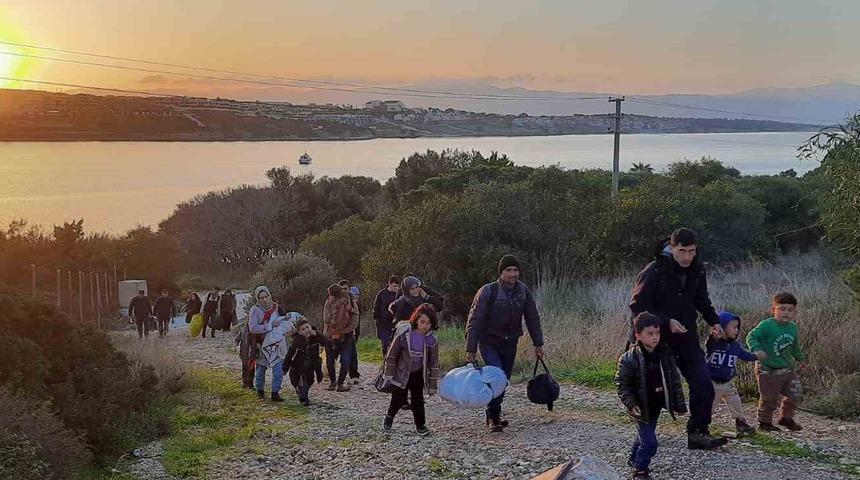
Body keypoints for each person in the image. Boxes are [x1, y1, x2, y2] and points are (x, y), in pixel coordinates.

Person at [629, 228, 728, 449]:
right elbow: (637, 306)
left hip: (686, 335)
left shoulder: (698, 269)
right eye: (682, 251)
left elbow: (702, 299)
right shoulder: (654, 271)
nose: (686, 257)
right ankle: (644, 441)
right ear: (672, 248)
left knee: (703, 383)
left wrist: (714, 321)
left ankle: (698, 433)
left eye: (691, 251)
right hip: (655, 338)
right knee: (651, 390)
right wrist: (665, 322)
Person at [464, 254, 544, 433]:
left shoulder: (523, 291)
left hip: (510, 342)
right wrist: (471, 348)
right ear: (501, 273)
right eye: (509, 270)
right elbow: (474, 320)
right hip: (489, 341)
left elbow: (532, 319)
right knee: (497, 376)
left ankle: (493, 413)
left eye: (515, 270)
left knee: (504, 380)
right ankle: (494, 417)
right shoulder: (488, 291)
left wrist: (538, 344)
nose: (513, 274)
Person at [615, 312, 688, 480]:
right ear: (638, 335)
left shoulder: (664, 353)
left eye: (658, 333)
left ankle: (633, 458)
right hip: (641, 407)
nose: (655, 338)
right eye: (650, 334)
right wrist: (631, 404)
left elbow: (674, 381)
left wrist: (679, 404)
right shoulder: (628, 359)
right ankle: (640, 469)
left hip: (656, 405)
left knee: (644, 435)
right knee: (650, 442)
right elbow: (622, 385)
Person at [746, 292, 807, 432]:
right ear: (773, 309)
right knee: (769, 399)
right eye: (782, 308)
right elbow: (751, 336)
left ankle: (786, 418)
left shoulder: (792, 327)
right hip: (768, 370)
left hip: (787, 369)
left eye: (790, 310)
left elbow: (795, 347)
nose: (786, 313)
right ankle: (764, 422)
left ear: (795, 312)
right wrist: (757, 349)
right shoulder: (767, 325)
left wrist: (801, 359)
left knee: (795, 393)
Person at [381, 303, 440, 435]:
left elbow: (434, 364)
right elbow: (392, 354)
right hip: (401, 372)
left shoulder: (432, 340)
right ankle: (389, 418)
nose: (425, 326)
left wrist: (432, 385)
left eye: (429, 323)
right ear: (416, 319)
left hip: (418, 373)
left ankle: (420, 425)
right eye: (422, 322)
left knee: (418, 400)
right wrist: (388, 374)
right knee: (397, 398)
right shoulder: (405, 333)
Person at [705, 310, 765, 435]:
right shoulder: (714, 344)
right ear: (722, 327)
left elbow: (745, 355)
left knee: (735, 401)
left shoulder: (735, 346)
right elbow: (709, 343)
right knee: (709, 406)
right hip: (713, 382)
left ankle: (740, 422)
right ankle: (702, 424)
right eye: (733, 327)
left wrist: (755, 356)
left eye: (737, 327)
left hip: (728, 382)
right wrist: (715, 334)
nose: (737, 330)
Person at [248, 286, 295, 401]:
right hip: (262, 344)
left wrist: (287, 329)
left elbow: (285, 321)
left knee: (278, 369)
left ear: (269, 295)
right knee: (261, 369)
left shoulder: (276, 308)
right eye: (261, 298)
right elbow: (253, 328)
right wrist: (269, 326)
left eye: (266, 296)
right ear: (257, 299)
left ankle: (275, 392)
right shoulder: (255, 310)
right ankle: (260, 390)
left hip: (277, 344)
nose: (264, 300)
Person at [322, 284, 358, 392]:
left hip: (346, 336)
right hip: (330, 336)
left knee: (346, 360)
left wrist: (345, 330)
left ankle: (340, 383)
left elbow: (355, 317)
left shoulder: (350, 301)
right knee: (330, 361)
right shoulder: (328, 302)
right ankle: (333, 382)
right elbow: (325, 318)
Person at [283, 318, 325, 406]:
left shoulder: (315, 338)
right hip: (299, 366)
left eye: (307, 327)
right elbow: (290, 355)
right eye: (303, 329)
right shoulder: (297, 341)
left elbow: (325, 342)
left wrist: (317, 335)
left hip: (311, 365)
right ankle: (303, 398)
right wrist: (285, 367)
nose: (306, 330)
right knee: (302, 382)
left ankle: (302, 393)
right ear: (299, 332)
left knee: (309, 381)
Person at [373, 275, 401, 356]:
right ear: (389, 284)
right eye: (395, 286)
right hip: (384, 325)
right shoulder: (381, 294)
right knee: (385, 343)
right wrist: (377, 319)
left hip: (396, 324)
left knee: (395, 345)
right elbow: (376, 307)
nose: (397, 288)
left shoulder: (399, 295)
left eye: (398, 286)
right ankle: (385, 359)